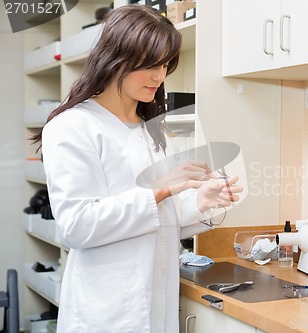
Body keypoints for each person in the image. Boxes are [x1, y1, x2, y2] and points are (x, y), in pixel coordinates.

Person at [31, 4, 242, 332]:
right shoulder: (73, 125)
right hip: (107, 312)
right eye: (150, 64)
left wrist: (202, 202)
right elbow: (76, 225)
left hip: (156, 304)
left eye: (165, 64)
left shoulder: (151, 128)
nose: (160, 76)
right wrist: (160, 188)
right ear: (116, 58)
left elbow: (159, 220)